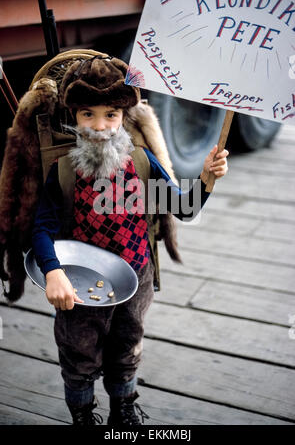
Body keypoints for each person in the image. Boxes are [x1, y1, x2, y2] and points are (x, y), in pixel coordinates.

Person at [32, 53, 229, 426]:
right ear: (74, 115)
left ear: (124, 116)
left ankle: (123, 412)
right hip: (80, 286)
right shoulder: (63, 171)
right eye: (87, 114)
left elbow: (183, 209)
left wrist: (205, 178)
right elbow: (42, 228)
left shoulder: (141, 162)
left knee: (127, 344)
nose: (100, 126)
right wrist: (53, 272)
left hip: (136, 276)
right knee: (78, 351)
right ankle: (83, 415)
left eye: (111, 114)